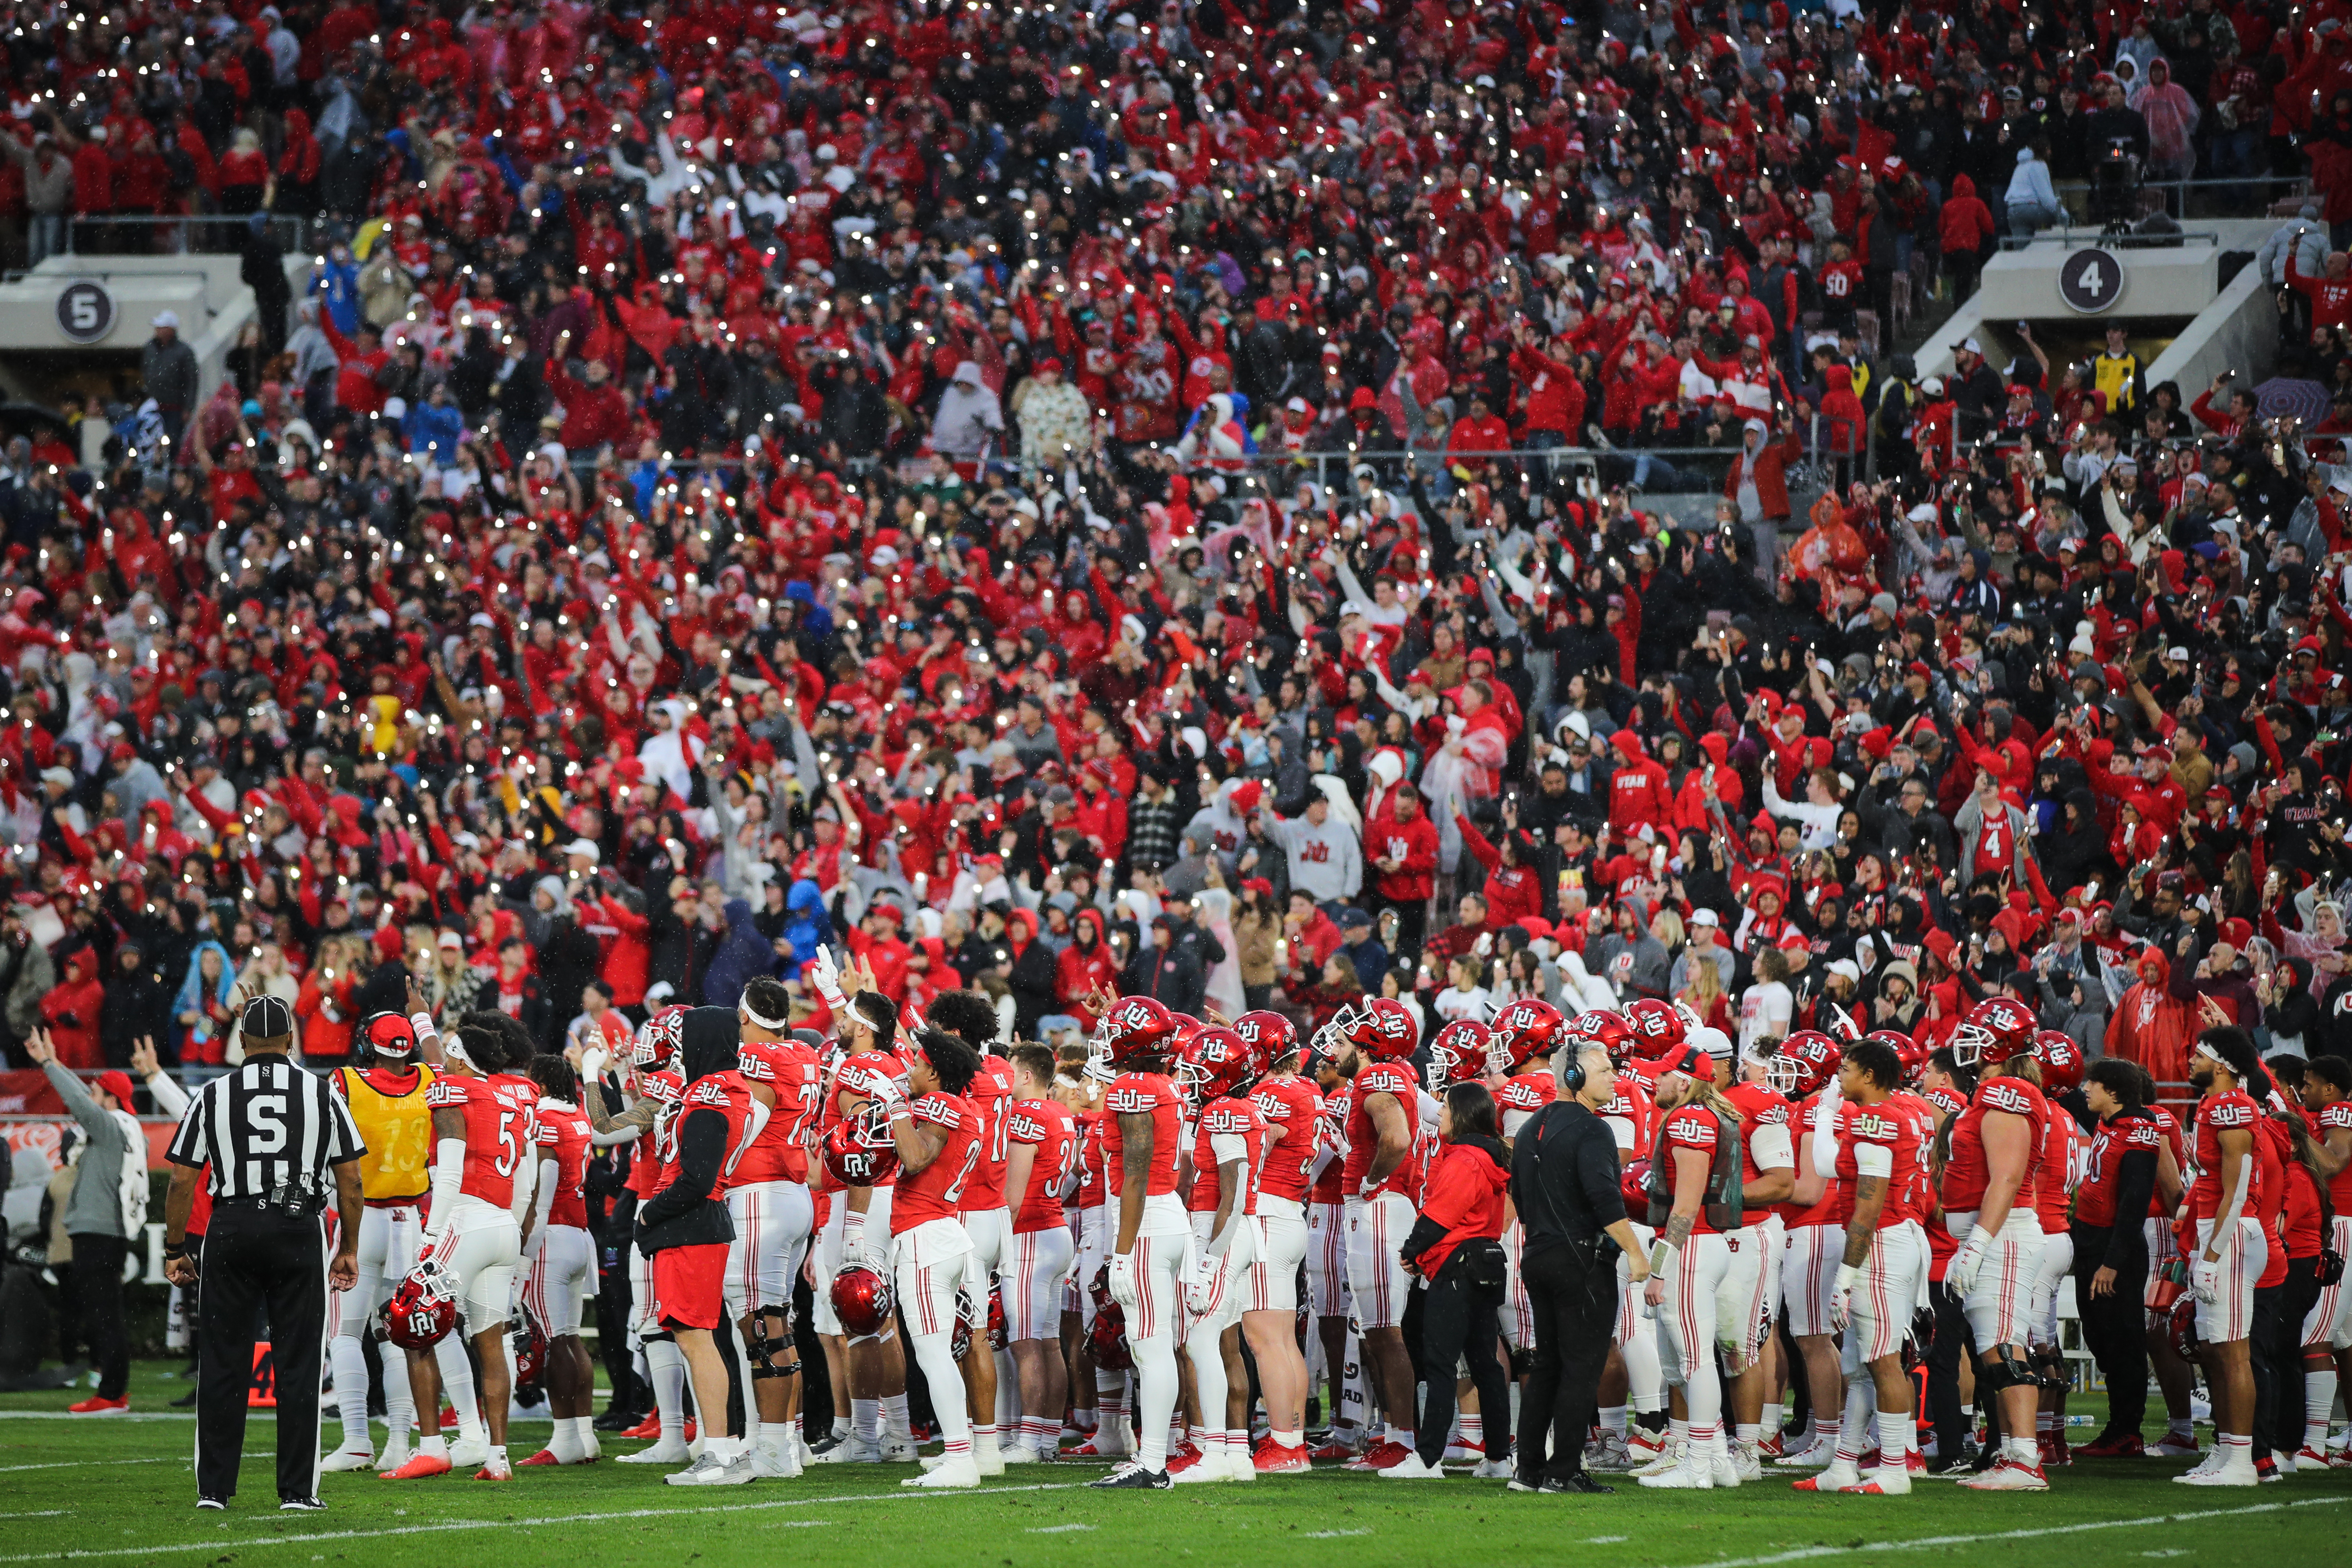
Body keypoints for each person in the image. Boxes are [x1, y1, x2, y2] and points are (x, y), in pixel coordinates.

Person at [160, 994, 365, 1511]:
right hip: (299, 1227)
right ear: (292, 1040)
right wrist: (349, 1248)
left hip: (231, 1226)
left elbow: (183, 1179)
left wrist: (176, 1246)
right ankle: (297, 1491)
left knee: (222, 1360)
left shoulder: (212, 1093)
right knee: (298, 1364)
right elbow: (352, 1181)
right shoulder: (321, 1093)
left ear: (243, 1040)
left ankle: (214, 1490)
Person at [322, 997, 486, 1473]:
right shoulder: (432, 1081)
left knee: (346, 1333)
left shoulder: (347, 1082)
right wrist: (423, 1018)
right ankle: (398, 1439)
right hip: (411, 1221)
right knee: (401, 1336)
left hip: (362, 1218)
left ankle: (356, 1440)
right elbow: (438, 1061)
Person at [381, 1012, 537, 1482]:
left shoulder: (457, 1091)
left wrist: (430, 1242)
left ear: (463, 1060)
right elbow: (525, 1178)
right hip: (503, 1225)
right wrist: (512, 1225)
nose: (442, 1062)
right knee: (492, 1342)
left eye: (450, 1054)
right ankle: (498, 1457)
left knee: (412, 1325)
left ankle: (430, 1447)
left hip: (464, 1220)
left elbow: (448, 1174)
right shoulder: (514, 1093)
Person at [1510, 1028, 1652, 1492]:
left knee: (1547, 1364)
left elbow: (1518, 1195)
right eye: (1606, 1069)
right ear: (1574, 1075)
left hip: (1537, 1253)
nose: (1615, 1077)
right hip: (1579, 1258)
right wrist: (1634, 1250)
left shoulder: (1530, 1126)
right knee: (1581, 1366)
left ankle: (1529, 1469)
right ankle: (1564, 1469)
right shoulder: (1593, 1127)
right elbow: (1605, 1200)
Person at [870, 1027, 988, 1489]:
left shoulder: (941, 1105)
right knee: (939, 1354)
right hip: (945, 1233)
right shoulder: (968, 1107)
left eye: (918, 1064)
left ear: (935, 1071)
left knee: (935, 1355)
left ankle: (960, 1458)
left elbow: (916, 1157)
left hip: (925, 1237)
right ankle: (960, 1452)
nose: (911, 1071)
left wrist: (897, 1106)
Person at [723, 975, 822, 1479]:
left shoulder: (759, 1059)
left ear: (744, 1016)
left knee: (759, 1327)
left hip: (759, 1191)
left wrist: (715, 1176)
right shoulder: (805, 1053)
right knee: (778, 1325)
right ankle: (786, 1440)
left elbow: (750, 1121)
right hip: (793, 1193)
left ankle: (768, 1448)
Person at [1390, 1080, 1512, 1480]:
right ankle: (1498, 1457)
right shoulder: (1493, 1154)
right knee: (1485, 1364)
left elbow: (1441, 1214)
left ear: (1461, 1114)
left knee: (1440, 1362)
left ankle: (1427, 1459)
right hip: (1486, 1261)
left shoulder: (1465, 1157)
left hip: (1459, 1264)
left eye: (1445, 1108)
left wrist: (1412, 1250)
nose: (1440, 1114)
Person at [24, 1029, 145, 1414]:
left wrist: (47, 1064)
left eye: (99, 1094)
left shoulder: (110, 1127)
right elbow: (85, 1096)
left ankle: (112, 1393)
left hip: (99, 1233)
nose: (93, 1099)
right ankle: (113, 1391)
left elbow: (79, 1102)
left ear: (110, 1099)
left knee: (104, 1315)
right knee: (105, 1313)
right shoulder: (118, 1125)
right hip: (101, 1232)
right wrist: (55, 1062)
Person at [2176, 1026, 2271, 1486]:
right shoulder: (2213, 1104)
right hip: (2215, 1236)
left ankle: (2240, 1460)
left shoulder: (2232, 1104)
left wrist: (2211, 1254)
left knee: (2234, 1354)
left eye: (2198, 1053)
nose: (2189, 1059)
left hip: (2230, 1236)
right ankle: (2225, 1448)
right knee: (2215, 1350)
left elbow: (2235, 1190)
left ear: (2219, 1064)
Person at [2071, 1058, 2170, 1459]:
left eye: (2092, 1084)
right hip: (2092, 1240)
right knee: (2099, 1335)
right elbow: (2066, 1098)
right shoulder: (2109, 1120)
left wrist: (2112, 1261)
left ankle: (2127, 1429)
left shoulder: (2139, 1129)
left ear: (2113, 1091)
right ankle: (2118, 1426)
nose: (2086, 1090)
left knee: (2123, 1339)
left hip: (2117, 1247)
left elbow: (2134, 1202)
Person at [1237, 1010, 1317, 1473]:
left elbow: (1258, 1145)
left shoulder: (1273, 1093)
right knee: (1284, 1340)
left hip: (1268, 1214)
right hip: (1289, 1213)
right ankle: (1292, 1440)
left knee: (1265, 1339)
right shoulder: (1305, 1087)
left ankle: (1286, 1446)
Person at [1000, 1042, 1077, 1463]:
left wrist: (999, 1242)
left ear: (1026, 1075)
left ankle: (1031, 1440)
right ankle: (1047, 1436)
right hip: (1056, 1230)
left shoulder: (1027, 1115)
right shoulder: (1060, 1112)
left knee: (1027, 1343)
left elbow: (1013, 1196)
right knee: (1048, 1342)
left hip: (1030, 1235)